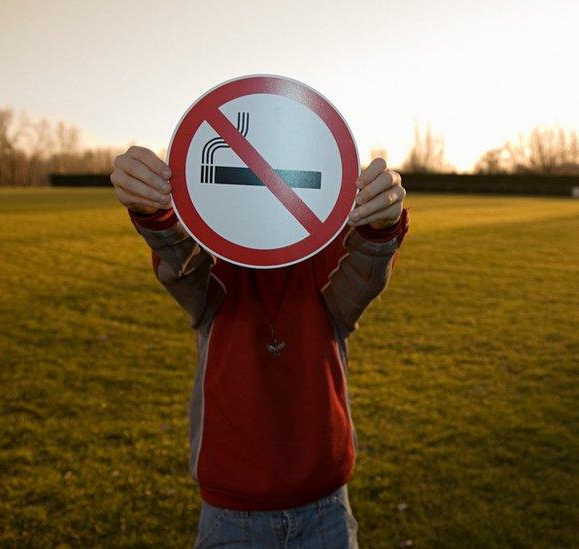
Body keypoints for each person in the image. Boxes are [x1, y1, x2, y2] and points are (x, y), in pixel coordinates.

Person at [110, 146, 408, 548]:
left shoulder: (327, 260)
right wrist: (155, 215)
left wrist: (381, 228)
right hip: (231, 516)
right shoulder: (215, 261)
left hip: (326, 511)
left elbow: (364, 275)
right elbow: (183, 265)